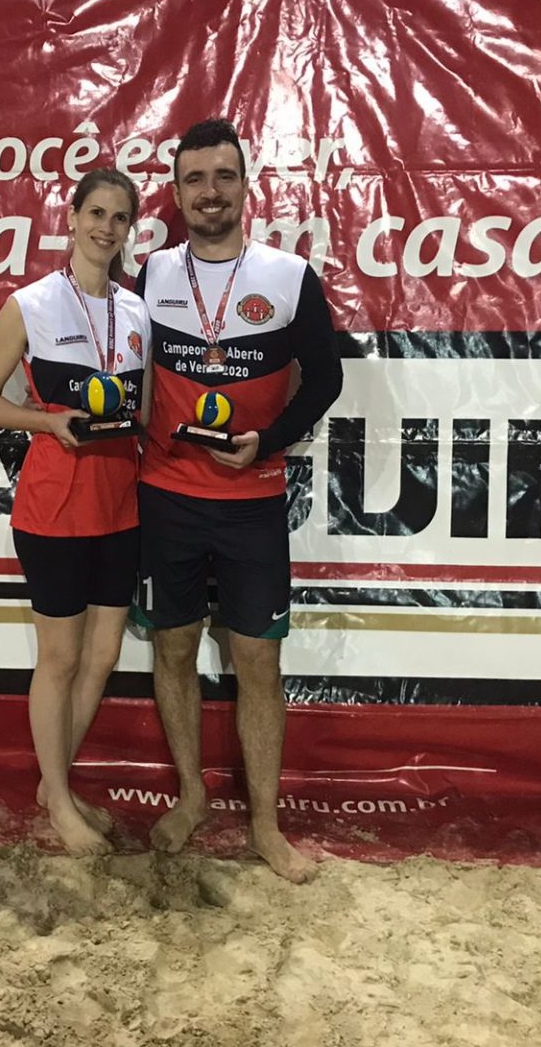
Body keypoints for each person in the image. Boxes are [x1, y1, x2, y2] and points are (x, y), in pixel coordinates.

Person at [134, 118, 343, 883]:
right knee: (174, 648)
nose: (210, 192)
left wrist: (270, 441)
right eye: (195, 179)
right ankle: (191, 797)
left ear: (246, 185)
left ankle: (264, 826)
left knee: (257, 658)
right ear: (177, 192)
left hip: (253, 499)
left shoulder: (288, 277)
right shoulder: (151, 276)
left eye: (224, 176)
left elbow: (325, 378)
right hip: (166, 498)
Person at [0, 168, 148, 856]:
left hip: (120, 505)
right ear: (71, 219)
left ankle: (55, 786)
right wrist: (46, 421)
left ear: (129, 229)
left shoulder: (136, 311)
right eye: (96, 213)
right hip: (54, 508)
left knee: (103, 656)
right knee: (61, 658)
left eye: (119, 217)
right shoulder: (31, 305)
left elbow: (143, 408)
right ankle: (61, 802)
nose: (106, 227)